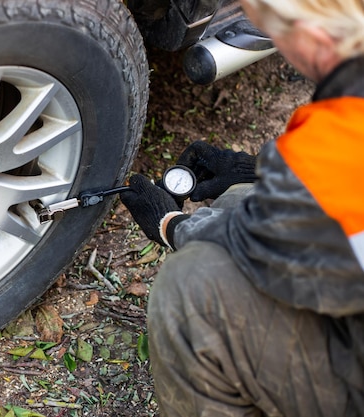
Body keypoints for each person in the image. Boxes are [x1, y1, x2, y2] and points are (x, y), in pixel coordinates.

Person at [120, 0, 364, 415]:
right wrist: (251, 172)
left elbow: (252, 248)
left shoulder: (337, 136)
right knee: (238, 199)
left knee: (189, 290)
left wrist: (170, 223)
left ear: (317, 37)